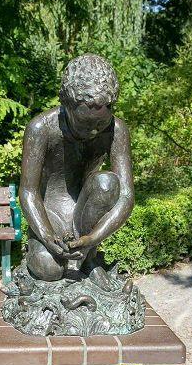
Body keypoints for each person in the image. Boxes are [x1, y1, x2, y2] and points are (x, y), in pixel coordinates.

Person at [19, 54, 134, 291]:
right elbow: (29, 192)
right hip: (50, 216)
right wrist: (46, 235)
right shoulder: (40, 128)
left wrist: (94, 238)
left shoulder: (117, 130)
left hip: (87, 215)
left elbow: (125, 197)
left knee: (107, 183)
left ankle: (88, 258)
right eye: (84, 124)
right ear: (65, 103)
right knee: (48, 271)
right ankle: (62, 257)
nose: (92, 132)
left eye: (99, 125)